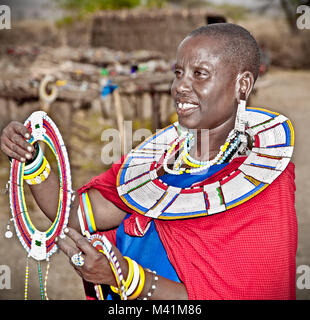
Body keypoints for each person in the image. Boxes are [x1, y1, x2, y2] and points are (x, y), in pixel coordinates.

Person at [0, 23, 297, 300]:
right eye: (178, 72)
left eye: (200, 73)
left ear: (242, 84)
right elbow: (72, 213)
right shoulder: (156, 163)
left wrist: (125, 278)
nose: (180, 86)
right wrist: (33, 158)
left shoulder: (262, 185)